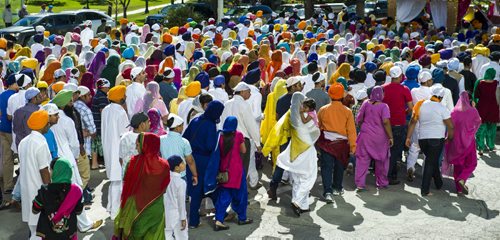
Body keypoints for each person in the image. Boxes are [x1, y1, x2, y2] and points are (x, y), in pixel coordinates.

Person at [114, 133, 170, 239]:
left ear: (145, 146)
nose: (136, 147)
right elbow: (165, 186)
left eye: (138, 145)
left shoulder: (133, 162)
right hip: (156, 208)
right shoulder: (164, 165)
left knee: (135, 233)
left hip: (136, 208)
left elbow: (126, 180)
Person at [405, 85, 454, 196]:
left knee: (432, 160)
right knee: (430, 163)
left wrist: (408, 137)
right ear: (441, 98)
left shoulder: (421, 105)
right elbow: (450, 126)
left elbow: (412, 122)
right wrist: (449, 138)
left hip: (422, 139)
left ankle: (438, 183)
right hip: (436, 139)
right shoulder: (442, 108)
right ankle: (425, 190)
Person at [182, 101, 224, 228]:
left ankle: (193, 221)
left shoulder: (196, 119)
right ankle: (220, 214)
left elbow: (185, 137)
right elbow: (210, 145)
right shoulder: (210, 125)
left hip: (192, 158)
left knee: (195, 191)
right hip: (204, 161)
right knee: (210, 187)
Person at [277, 93, 320, 215]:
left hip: (294, 151)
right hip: (307, 151)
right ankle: (297, 201)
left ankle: (303, 205)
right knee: (309, 177)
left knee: (296, 179)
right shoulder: (307, 116)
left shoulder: (291, 116)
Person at [317, 83, 357, 202]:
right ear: (342, 96)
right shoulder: (347, 111)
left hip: (326, 143)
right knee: (340, 167)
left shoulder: (323, 110)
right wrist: (353, 147)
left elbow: (318, 127)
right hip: (342, 144)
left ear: (330, 95)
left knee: (326, 167)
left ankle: (327, 191)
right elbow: (351, 131)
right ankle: (337, 187)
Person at [220, 82, 261, 189]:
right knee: (242, 168)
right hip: (242, 142)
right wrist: (257, 142)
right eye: (248, 92)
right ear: (242, 92)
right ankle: (239, 191)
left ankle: (230, 188)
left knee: (229, 167)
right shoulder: (244, 105)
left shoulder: (227, 103)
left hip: (227, 139)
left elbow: (221, 122)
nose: (250, 95)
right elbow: (251, 125)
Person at [214, 116, 253, 230]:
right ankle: (242, 218)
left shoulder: (220, 136)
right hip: (236, 170)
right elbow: (244, 150)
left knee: (224, 196)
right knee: (241, 195)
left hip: (224, 170)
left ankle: (219, 220)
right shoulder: (238, 135)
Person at [18, 110, 51, 239]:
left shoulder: (24, 142)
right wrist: (50, 192)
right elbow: (44, 171)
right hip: (38, 190)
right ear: (43, 125)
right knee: (39, 231)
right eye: (47, 123)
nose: (49, 125)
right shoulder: (41, 144)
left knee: (33, 229)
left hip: (26, 189)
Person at [32, 158, 83, 240]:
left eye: (51, 170)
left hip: (49, 234)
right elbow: (79, 211)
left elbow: (35, 209)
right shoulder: (76, 190)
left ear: (55, 171)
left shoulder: (45, 190)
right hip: (68, 233)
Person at [355, 86, 393, 190]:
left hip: (365, 135)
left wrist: (363, 128)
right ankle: (382, 182)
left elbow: (359, 118)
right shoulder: (384, 106)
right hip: (380, 138)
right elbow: (385, 122)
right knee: (382, 160)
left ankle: (360, 184)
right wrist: (390, 137)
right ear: (381, 94)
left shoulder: (365, 103)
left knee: (362, 160)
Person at [444, 92, 481, 195]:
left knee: (457, 164)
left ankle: (459, 189)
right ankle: (462, 178)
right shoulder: (473, 111)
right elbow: (478, 121)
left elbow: (449, 125)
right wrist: (472, 132)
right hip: (468, 141)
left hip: (455, 142)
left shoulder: (454, 111)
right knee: (472, 162)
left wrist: (448, 137)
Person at [102, 85, 129, 220]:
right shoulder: (120, 112)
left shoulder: (106, 110)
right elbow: (124, 134)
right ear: (119, 98)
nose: (125, 97)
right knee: (117, 182)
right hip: (118, 150)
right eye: (124, 95)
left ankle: (110, 206)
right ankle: (115, 212)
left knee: (114, 181)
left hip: (108, 148)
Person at [382, 66, 413, 185]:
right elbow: (410, 108)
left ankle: (383, 172)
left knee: (384, 149)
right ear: (400, 77)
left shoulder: (383, 88)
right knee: (395, 151)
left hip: (385, 123)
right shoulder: (404, 89)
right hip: (399, 124)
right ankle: (390, 175)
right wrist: (403, 113)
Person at [406, 70, 433, 181]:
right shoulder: (432, 92)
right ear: (428, 81)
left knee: (414, 147)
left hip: (416, 121)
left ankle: (410, 167)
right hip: (428, 123)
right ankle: (426, 173)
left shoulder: (414, 91)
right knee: (428, 150)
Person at [160, 113, 198, 185]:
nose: (182, 128)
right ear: (177, 127)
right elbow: (190, 161)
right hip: (180, 176)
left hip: (165, 175)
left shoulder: (160, 139)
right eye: (181, 126)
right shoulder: (184, 142)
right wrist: (195, 175)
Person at [473, 68, 499, 155]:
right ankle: (491, 145)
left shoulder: (480, 83)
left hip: (482, 107)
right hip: (493, 107)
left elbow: (476, 95)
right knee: (492, 127)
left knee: (481, 127)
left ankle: (481, 147)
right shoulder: (495, 83)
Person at [0, 75, 18, 198]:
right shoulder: (15, 96)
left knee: (7, 158)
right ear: (14, 84)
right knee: (19, 156)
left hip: (1, 129)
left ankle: (8, 186)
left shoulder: (1, 95)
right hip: (12, 131)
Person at [164, 155, 188, 239]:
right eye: (182, 162)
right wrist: (183, 218)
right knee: (182, 236)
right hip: (177, 213)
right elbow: (181, 202)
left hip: (166, 212)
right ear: (177, 168)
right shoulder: (181, 182)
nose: (184, 163)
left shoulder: (165, 179)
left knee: (167, 235)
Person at [91, 79, 110, 170]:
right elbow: (103, 112)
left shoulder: (97, 94)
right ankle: (104, 162)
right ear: (104, 87)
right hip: (99, 124)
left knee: (95, 144)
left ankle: (94, 163)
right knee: (101, 144)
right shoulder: (102, 97)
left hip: (95, 123)